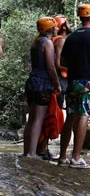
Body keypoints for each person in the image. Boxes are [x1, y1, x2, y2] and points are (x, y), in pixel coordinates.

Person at [58, 4, 90, 168]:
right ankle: (76, 158)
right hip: (88, 81)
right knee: (84, 115)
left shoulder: (71, 38)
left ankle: (62, 157)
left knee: (70, 116)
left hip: (72, 82)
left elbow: (63, 62)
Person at [23, 17, 61, 158]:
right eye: (55, 26)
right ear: (50, 28)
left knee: (31, 119)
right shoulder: (48, 43)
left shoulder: (36, 42)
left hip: (32, 81)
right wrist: (56, 83)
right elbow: (51, 67)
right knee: (38, 119)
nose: (57, 28)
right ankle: (32, 153)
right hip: (43, 83)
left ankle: (27, 151)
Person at [35, 14, 72, 160]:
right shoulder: (60, 40)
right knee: (51, 114)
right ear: (63, 25)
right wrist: (73, 69)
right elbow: (57, 64)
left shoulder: (52, 40)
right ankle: (43, 149)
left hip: (49, 80)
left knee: (47, 114)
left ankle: (42, 148)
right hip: (59, 81)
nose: (69, 24)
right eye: (67, 22)